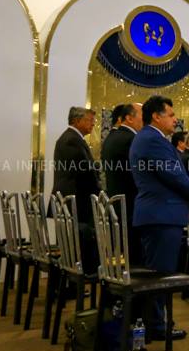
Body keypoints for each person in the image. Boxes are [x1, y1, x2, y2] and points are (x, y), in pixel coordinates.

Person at [129, 95, 189, 341]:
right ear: (156, 117)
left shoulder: (150, 137)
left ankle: (154, 322)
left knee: (157, 272)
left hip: (158, 213)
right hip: (161, 214)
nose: (175, 119)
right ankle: (157, 326)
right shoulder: (152, 139)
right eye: (170, 115)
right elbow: (172, 173)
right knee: (160, 275)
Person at [49, 106, 101, 270]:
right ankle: (77, 278)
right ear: (77, 121)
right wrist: (99, 183)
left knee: (73, 245)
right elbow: (84, 170)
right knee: (75, 247)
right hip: (75, 199)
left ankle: (74, 276)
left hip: (73, 199)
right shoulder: (72, 139)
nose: (93, 124)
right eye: (89, 120)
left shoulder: (71, 138)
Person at [100, 102, 142, 261]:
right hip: (131, 204)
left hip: (116, 201)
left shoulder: (112, 137)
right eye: (142, 115)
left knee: (120, 251)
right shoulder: (131, 139)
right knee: (133, 255)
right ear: (129, 118)